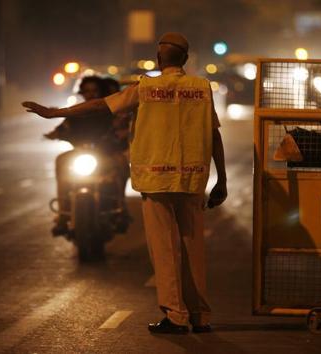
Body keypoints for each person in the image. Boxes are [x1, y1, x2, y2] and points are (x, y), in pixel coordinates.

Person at [22, 32, 227, 334]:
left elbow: (100, 106)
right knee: (193, 248)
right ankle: (199, 315)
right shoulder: (202, 88)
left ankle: (175, 315)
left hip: (156, 179)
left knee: (164, 250)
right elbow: (214, 134)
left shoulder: (145, 88)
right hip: (193, 178)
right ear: (185, 59)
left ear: (159, 59)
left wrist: (55, 112)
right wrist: (221, 178)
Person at [42, 76, 115, 236]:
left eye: (94, 91)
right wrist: (54, 134)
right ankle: (62, 213)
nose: (91, 94)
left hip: (103, 154)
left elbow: (118, 128)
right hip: (79, 153)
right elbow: (63, 127)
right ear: (82, 93)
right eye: (87, 91)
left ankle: (119, 206)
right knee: (61, 160)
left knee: (119, 164)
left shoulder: (109, 110)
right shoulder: (76, 112)